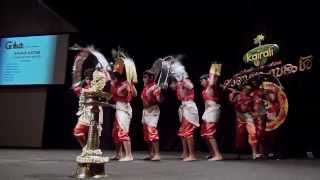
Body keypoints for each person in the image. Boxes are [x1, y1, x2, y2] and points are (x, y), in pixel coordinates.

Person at [169, 77, 199, 161]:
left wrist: (181, 80)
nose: (170, 86)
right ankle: (185, 152)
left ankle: (192, 155)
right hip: (184, 107)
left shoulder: (184, 82)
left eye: (171, 84)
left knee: (188, 131)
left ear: (175, 82)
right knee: (182, 131)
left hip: (189, 107)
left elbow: (191, 86)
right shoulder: (179, 86)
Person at [111, 71, 137, 161]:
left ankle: (129, 155)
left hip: (124, 109)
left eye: (113, 78)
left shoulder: (126, 84)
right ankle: (119, 154)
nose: (112, 80)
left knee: (123, 131)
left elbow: (135, 94)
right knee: (115, 132)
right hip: (119, 109)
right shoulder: (116, 84)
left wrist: (131, 84)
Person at [229, 85, 259, 159]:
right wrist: (232, 94)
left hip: (248, 116)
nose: (248, 90)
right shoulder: (238, 96)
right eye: (246, 89)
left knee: (253, 133)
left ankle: (254, 153)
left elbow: (254, 109)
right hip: (239, 116)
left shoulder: (251, 98)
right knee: (240, 135)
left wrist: (255, 112)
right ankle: (238, 154)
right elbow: (232, 103)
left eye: (249, 89)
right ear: (243, 89)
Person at [199, 74, 223, 161]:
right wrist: (204, 114)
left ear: (208, 79)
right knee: (204, 133)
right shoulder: (204, 91)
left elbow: (213, 80)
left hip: (214, 109)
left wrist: (213, 71)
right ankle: (212, 153)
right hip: (208, 111)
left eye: (202, 81)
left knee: (210, 133)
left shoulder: (212, 86)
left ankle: (218, 155)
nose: (201, 83)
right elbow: (206, 103)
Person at [141, 70, 162, 161]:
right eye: (143, 77)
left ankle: (157, 154)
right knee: (146, 134)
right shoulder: (145, 87)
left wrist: (160, 94)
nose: (143, 79)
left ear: (151, 78)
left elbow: (159, 100)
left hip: (153, 111)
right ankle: (151, 154)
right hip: (145, 111)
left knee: (152, 131)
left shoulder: (155, 87)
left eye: (145, 77)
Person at [73, 68, 94, 147]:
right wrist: (81, 84)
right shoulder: (84, 88)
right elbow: (76, 90)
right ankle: (85, 149)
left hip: (93, 111)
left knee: (92, 134)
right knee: (77, 132)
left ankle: (89, 150)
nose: (88, 80)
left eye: (90, 79)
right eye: (87, 78)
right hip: (85, 112)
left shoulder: (97, 87)